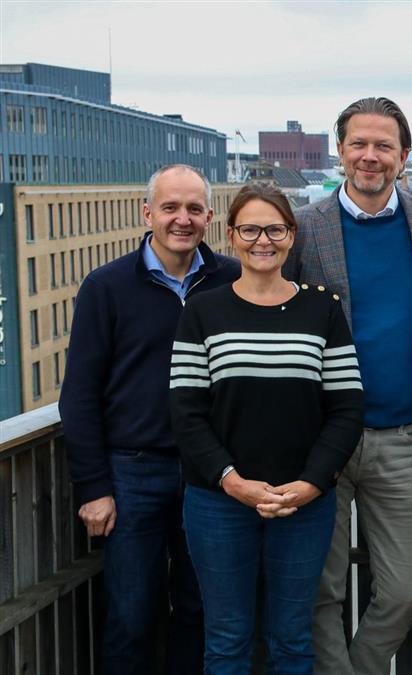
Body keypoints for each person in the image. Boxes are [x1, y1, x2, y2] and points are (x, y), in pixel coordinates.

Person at [285, 96, 412, 673]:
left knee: (405, 591)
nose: (370, 156)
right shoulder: (305, 226)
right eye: (358, 143)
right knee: (320, 590)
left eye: (383, 145)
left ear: (404, 156)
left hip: (402, 439)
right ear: (340, 151)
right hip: (319, 441)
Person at [169, 182, 363, 673]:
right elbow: (186, 412)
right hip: (218, 502)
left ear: (291, 235)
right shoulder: (202, 311)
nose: (263, 241)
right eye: (251, 229)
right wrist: (233, 482)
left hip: (303, 504)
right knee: (226, 639)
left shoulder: (323, 309)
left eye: (275, 230)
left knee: (293, 639)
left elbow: (346, 408)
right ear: (231, 234)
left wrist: (311, 483)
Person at [59, 164, 238, 675]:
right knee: (130, 614)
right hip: (133, 472)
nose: (182, 219)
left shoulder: (232, 280)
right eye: (170, 207)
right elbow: (80, 394)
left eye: (194, 209)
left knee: (200, 610)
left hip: (212, 474)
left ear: (209, 217)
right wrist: (94, 487)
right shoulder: (107, 286)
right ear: (147, 214)